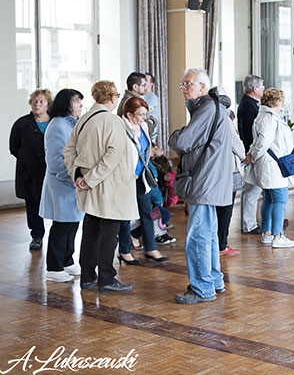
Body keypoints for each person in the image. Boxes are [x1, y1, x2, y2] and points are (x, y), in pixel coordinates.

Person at [64, 80, 138, 293]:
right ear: (114, 98)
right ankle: (107, 278)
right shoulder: (113, 121)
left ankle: (88, 277)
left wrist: (78, 174)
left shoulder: (83, 119)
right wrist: (90, 178)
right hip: (110, 186)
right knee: (109, 233)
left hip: (90, 186)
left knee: (91, 231)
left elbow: (69, 151)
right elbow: (113, 156)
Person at [169, 69, 232, 303]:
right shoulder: (213, 107)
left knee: (197, 236)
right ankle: (214, 280)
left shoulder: (206, 109)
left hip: (205, 180)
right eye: (182, 84)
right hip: (211, 180)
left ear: (202, 87)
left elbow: (183, 141)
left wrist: (175, 135)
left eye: (188, 84)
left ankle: (202, 288)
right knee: (209, 234)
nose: (184, 88)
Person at [243, 88, 294, 248]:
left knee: (268, 199)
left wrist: (253, 155)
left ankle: (267, 233)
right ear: (277, 102)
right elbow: (263, 141)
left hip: (269, 165)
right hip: (272, 166)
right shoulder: (268, 118)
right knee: (280, 199)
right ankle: (277, 235)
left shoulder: (265, 116)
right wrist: (253, 156)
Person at [39, 89, 84, 282]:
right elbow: (56, 161)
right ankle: (54, 267)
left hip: (72, 184)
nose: (80, 105)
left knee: (72, 224)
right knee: (61, 226)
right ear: (67, 104)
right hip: (62, 183)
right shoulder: (57, 125)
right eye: (77, 101)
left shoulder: (71, 123)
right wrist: (73, 178)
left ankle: (67, 260)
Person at [118, 97, 167, 265]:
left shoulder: (144, 126)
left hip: (141, 177)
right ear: (129, 114)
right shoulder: (121, 129)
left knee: (146, 211)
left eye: (146, 114)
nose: (144, 118)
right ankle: (124, 251)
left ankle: (151, 248)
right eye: (140, 114)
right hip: (126, 178)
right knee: (125, 216)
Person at [9, 88, 52, 250]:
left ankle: (57, 237)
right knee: (33, 205)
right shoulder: (22, 123)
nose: (37, 104)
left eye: (41, 101)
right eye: (34, 101)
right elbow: (14, 148)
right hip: (29, 173)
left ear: (48, 104)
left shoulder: (55, 121)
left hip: (51, 172)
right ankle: (37, 236)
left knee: (53, 203)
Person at [218, 94, 245, 256]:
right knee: (226, 208)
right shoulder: (225, 120)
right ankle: (221, 244)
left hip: (216, 169)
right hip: (229, 168)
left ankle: (217, 243)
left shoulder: (207, 118)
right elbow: (236, 143)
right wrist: (245, 157)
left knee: (219, 209)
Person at [237, 74, 264, 233]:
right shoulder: (248, 105)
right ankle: (249, 225)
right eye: (261, 86)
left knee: (253, 189)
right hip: (251, 152)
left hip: (252, 151)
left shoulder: (249, 103)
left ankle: (251, 223)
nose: (263, 89)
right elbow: (249, 132)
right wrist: (252, 153)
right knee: (251, 190)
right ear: (254, 89)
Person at [119, 72, 158, 141]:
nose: (145, 87)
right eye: (143, 85)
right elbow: (141, 126)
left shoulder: (131, 100)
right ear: (135, 87)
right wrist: (152, 121)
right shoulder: (131, 103)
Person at [143, 72, 161, 140]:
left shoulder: (152, 98)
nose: (143, 82)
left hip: (149, 133)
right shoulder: (140, 96)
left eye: (146, 80)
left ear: (151, 84)